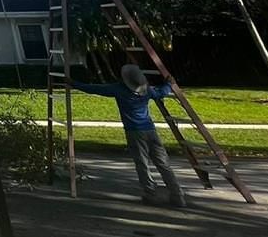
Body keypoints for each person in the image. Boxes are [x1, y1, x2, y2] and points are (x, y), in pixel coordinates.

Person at [74, 63, 187, 208]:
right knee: (163, 163)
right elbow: (161, 92)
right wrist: (169, 83)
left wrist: (74, 84)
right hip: (150, 130)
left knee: (142, 164)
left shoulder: (118, 89)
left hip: (134, 132)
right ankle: (177, 195)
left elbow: (95, 89)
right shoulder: (147, 90)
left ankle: (150, 193)